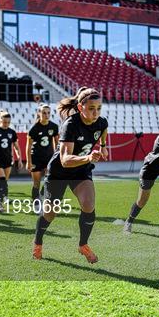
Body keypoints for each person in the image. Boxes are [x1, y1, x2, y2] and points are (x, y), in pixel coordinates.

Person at [33, 87, 108, 264]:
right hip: (59, 172)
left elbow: (103, 130)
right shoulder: (71, 124)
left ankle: (83, 245)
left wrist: (103, 145)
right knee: (50, 213)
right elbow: (65, 159)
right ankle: (38, 241)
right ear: (81, 108)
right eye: (91, 108)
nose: (96, 112)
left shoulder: (101, 122)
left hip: (81, 170)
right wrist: (89, 157)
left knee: (88, 205)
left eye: (98, 108)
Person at [26, 103, 59, 205]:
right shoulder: (34, 128)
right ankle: (36, 204)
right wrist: (28, 161)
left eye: (48, 113)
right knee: (36, 183)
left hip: (49, 157)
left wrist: (57, 156)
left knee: (50, 180)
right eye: (44, 113)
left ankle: (41, 195)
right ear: (39, 113)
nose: (46, 115)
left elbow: (56, 143)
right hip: (36, 157)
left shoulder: (54, 126)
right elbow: (28, 146)